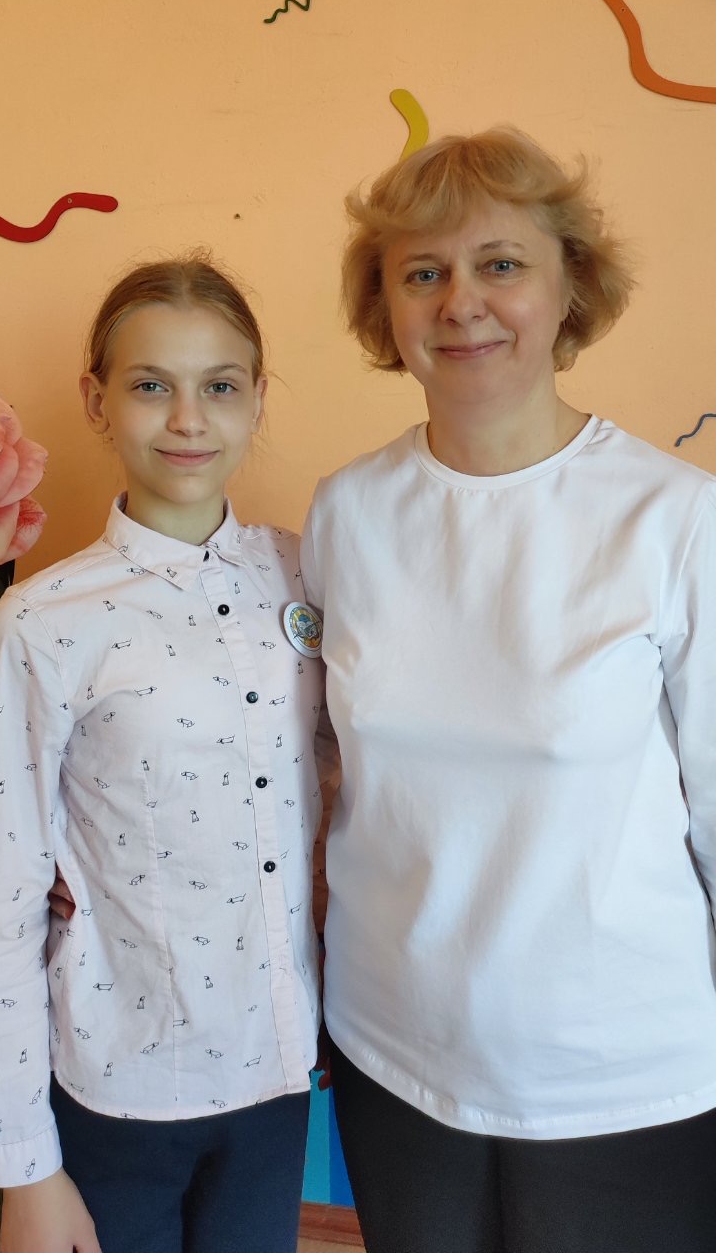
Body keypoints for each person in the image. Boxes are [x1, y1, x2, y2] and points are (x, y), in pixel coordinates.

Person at [300, 128, 716, 1253]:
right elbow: (320, 766)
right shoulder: (347, 513)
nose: (461, 303)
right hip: (393, 1049)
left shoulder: (676, 518)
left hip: (622, 1075)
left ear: (570, 284)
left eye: (500, 264)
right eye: (421, 272)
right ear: (383, 306)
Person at [0, 255, 331, 1253]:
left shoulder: (307, 571)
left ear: (258, 397)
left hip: (279, 1072)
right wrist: (25, 1169)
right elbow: (6, 891)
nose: (188, 419)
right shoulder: (45, 620)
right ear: (97, 401)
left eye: (219, 386)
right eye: (151, 385)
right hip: (120, 1086)